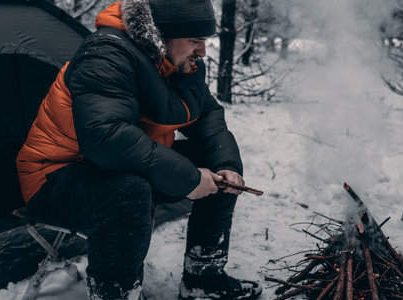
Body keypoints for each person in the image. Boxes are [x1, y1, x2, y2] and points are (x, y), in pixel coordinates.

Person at [16, 0, 263, 299]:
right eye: (195, 41)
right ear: (164, 34)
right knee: (127, 190)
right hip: (54, 177)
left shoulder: (177, 63)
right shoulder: (105, 55)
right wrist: (189, 179)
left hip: (116, 168)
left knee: (214, 162)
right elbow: (105, 137)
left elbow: (207, 115)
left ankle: (203, 278)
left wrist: (227, 164)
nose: (202, 52)